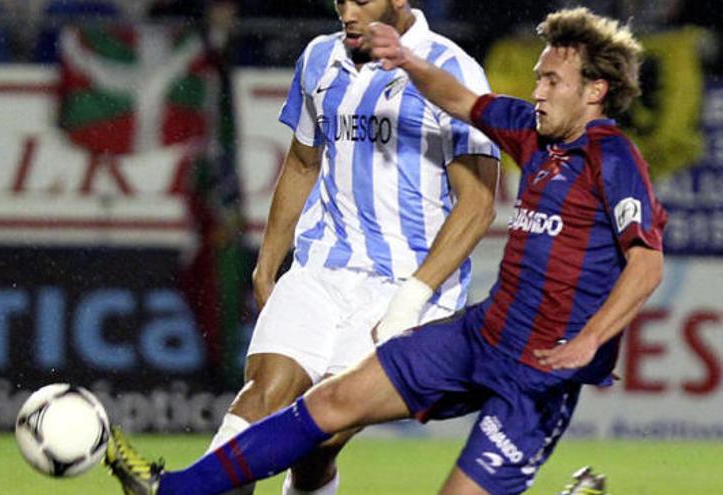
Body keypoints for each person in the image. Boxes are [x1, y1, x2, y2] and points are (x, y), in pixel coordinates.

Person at [103, 6, 666, 495]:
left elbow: (646, 261)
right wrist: (407, 60)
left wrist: (591, 339)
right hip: (480, 337)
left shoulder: (612, 159)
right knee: (329, 404)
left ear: (595, 91)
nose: (536, 90)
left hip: (537, 377)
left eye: (551, 81)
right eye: (538, 78)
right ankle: (172, 488)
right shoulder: (531, 132)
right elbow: (464, 101)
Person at [193, 0, 500, 493]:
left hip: (403, 284)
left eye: (361, 0)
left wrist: (412, 300)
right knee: (256, 407)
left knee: (319, 439)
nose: (347, 11)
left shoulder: (453, 70)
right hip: (321, 268)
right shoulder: (319, 59)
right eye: (341, 1)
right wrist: (267, 263)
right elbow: (300, 161)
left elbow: (479, 203)